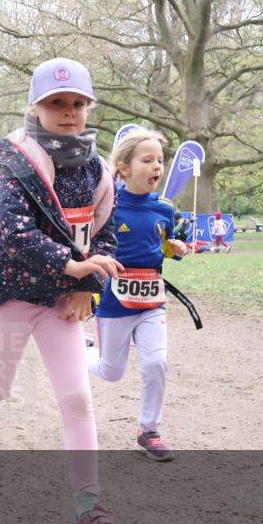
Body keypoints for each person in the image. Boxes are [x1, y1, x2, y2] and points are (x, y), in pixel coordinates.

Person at [0, 58, 132, 524]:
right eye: (56, 103)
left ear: (89, 107)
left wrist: (86, 285)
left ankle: (88, 512)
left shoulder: (96, 168)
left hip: (59, 300)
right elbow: (11, 233)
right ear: (37, 107)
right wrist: (69, 267)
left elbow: (105, 234)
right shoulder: (14, 160)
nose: (68, 112)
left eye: (76, 103)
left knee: (77, 398)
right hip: (9, 292)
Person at [87, 127, 189, 463]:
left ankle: (149, 430)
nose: (157, 166)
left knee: (156, 362)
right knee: (110, 371)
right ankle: (79, 349)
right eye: (147, 160)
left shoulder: (164, 207)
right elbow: (88, 244)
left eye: (160, 160)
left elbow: (162, 244)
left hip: (151, 303)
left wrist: (176, 249)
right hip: (115, 304)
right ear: (124, 167)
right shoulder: (108, 205)